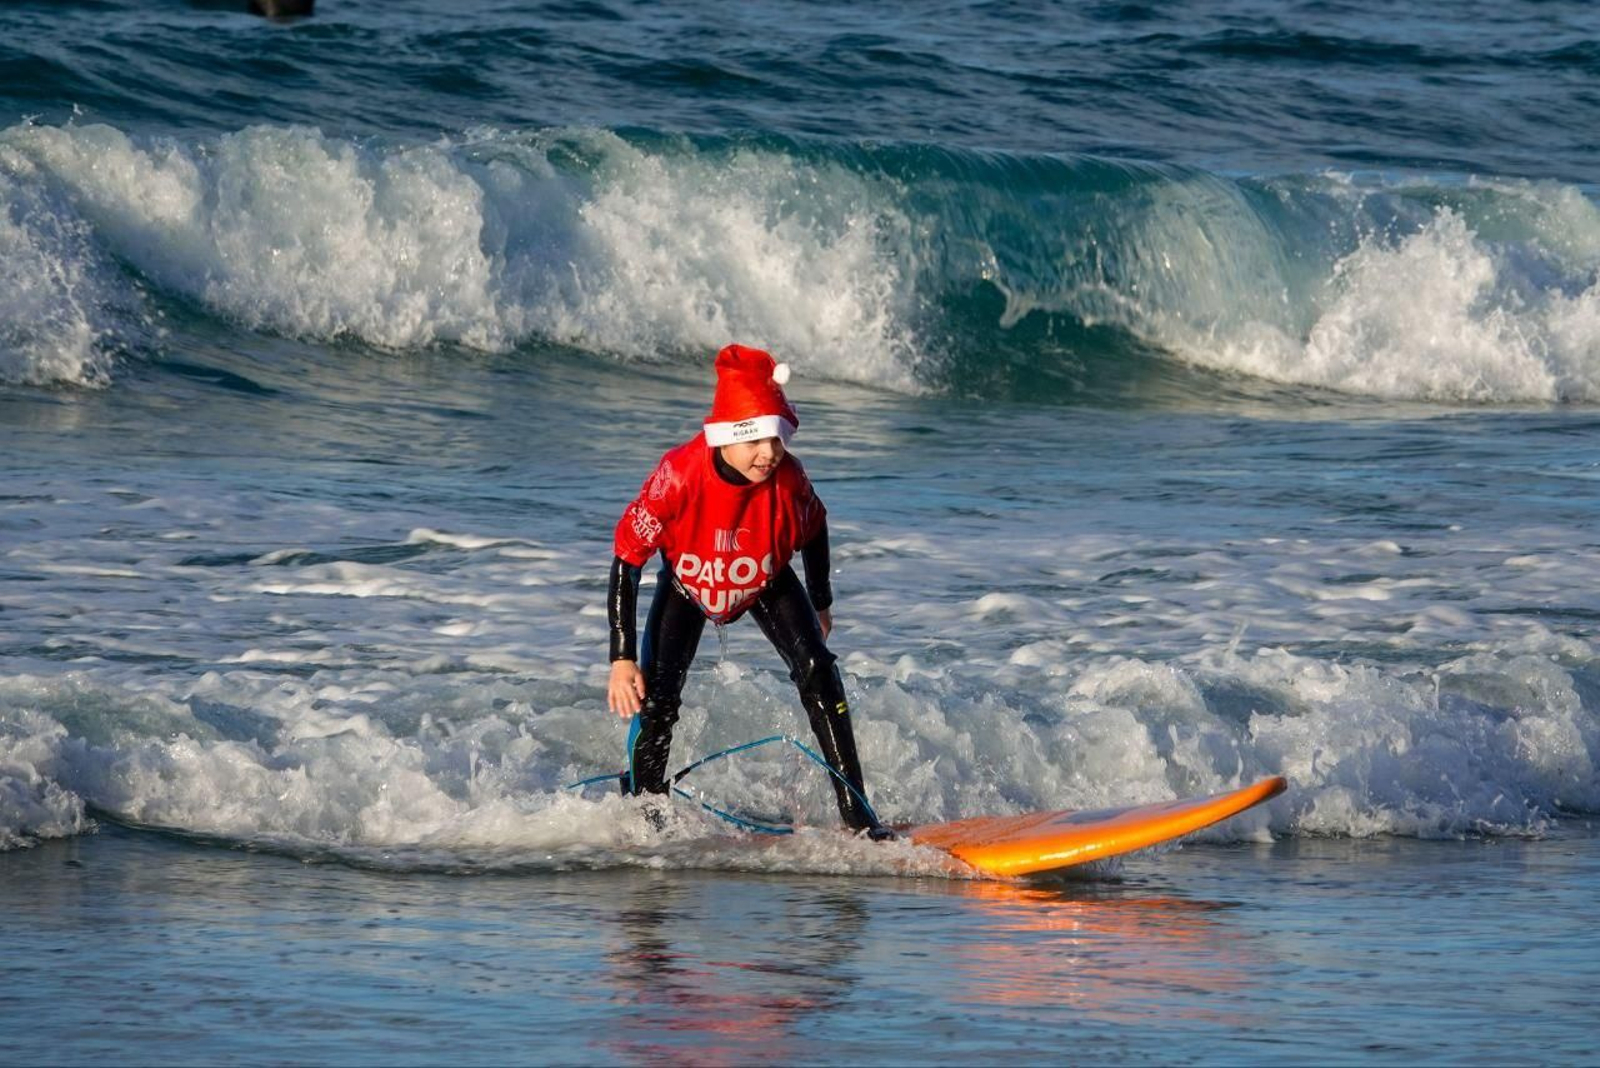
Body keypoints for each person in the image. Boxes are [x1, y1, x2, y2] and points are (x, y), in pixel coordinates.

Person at [606, 344, 891, 838]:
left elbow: (815, 527)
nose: (770, 453)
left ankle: (858, 816)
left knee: (820, 674)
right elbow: (627, 560)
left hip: (764, 579)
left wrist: (821, 601)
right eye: (756, 439)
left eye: (777, 437)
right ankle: (645, 813)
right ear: (726, 437)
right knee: (657, 700)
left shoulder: (789, 480)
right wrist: (621, 658)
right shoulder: (678, 476)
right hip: (688, 585)